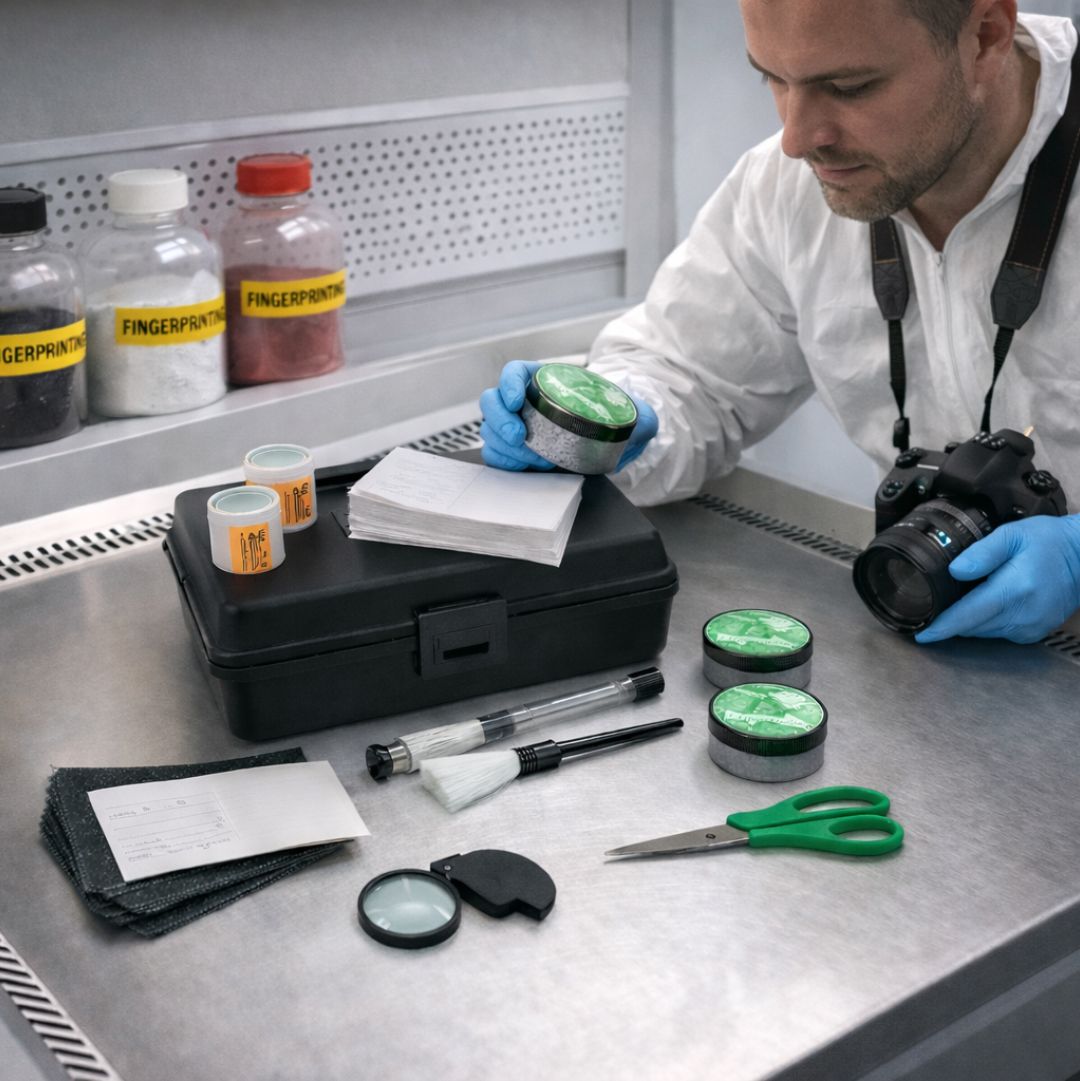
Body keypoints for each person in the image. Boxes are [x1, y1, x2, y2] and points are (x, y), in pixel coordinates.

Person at [479, 0, 1080, 646]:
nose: (796, 138)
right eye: (772, 77)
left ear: (985, 36)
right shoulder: (786, 188)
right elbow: (689, 377)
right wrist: (608, 420)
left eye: (849, 86)